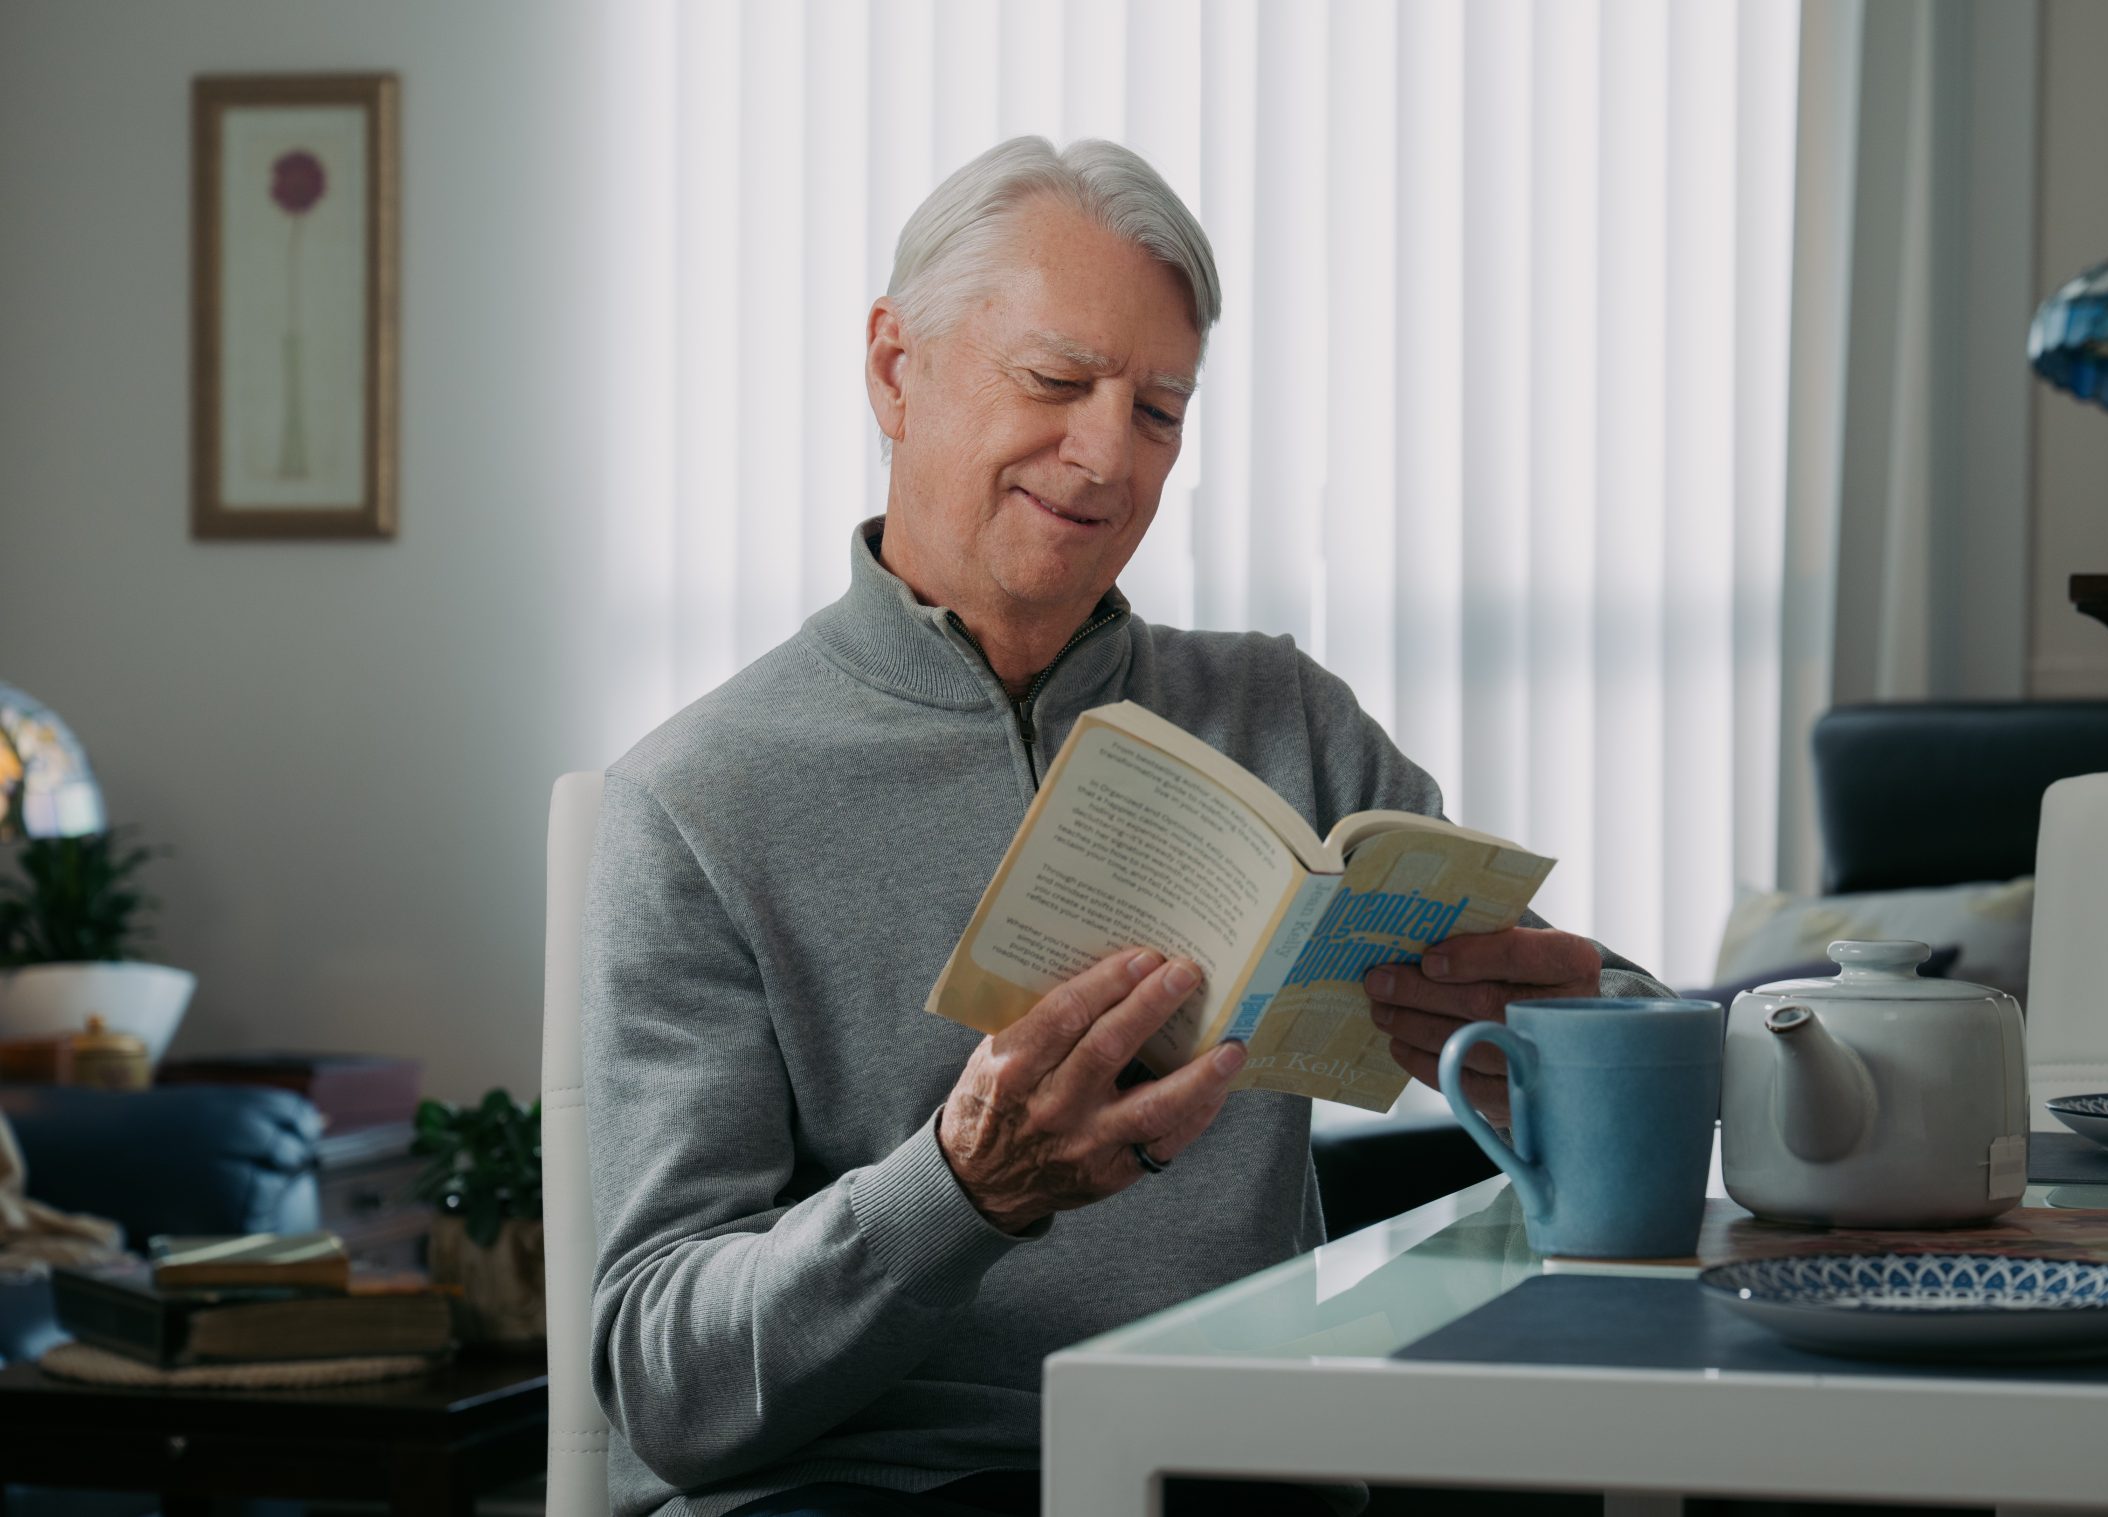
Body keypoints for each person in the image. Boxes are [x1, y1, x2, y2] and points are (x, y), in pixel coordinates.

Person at [583, 136, 1673, 1517]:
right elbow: (666, 1382)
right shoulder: (695, 798)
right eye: (1056, 382)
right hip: (869, 1487)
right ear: (893, 368)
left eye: (1160, 411)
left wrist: (1577, 1052)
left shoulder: (1284, 715)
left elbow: (1610, 1019)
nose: (1108, 455)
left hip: (1223, 1466)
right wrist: (959, 1191)